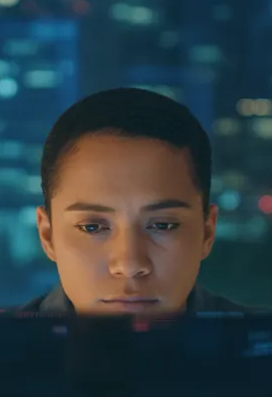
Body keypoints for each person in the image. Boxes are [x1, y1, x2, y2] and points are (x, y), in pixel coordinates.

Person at [20, 87, 245, 315]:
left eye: (163, 225)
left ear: (207, 232)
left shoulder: (269, 344)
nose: (130, 265)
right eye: (92, 227)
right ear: (48, 235)